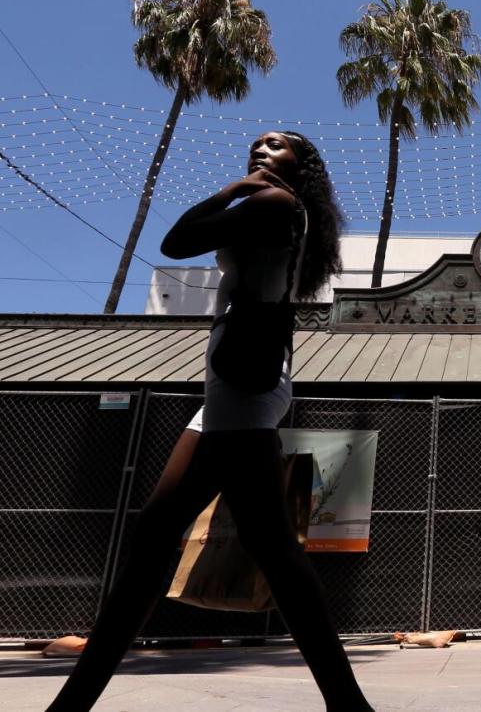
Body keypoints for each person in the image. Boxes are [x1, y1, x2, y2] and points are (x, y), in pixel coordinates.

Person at [48, 132, 374, 711]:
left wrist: (232, 189)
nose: (262, 150)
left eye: (277, 146)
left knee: (232, 542)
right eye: (257, 144)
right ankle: (348, 704)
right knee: (226, 540)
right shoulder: (279, 209)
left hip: (243, 388)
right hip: (239, 385)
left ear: (301, 166)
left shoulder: (272, 203)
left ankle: (73, 703)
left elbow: (176, 243)